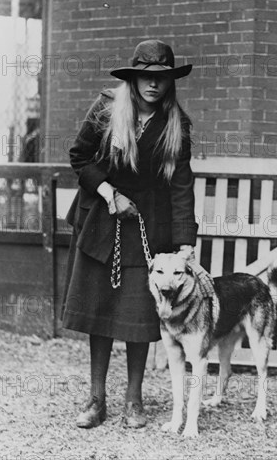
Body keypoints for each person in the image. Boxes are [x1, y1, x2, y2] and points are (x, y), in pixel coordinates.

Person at [62, 40, 198, 429]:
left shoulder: (177, 124)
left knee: (139, 314)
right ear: (134, 78)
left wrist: (184, 239)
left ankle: (134, 401)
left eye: (163, 78)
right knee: (102, 311)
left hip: (148, 226)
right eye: (146, 77)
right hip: (101, 220)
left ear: (171, 81)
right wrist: (109, 193)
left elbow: (181, 184)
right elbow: (79, 156)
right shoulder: (106, 108)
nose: (154, 85)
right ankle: (96, 399)